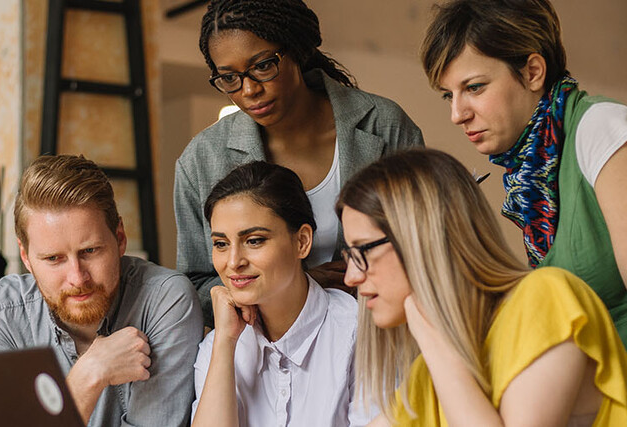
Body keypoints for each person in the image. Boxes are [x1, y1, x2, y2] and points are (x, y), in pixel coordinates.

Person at [174, 0, 425, 326]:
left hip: (380, 339)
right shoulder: (202, 160)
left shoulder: (384, 127)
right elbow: (195, 286)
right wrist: (298, 287)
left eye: (263, 66)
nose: (249, 90)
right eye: (229, 78)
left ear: (297, 50)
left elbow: (427, 246)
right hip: (268, 352)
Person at [337, 148, 627, 426]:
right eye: (349, 255)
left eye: (363, 251)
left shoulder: (545, 297)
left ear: (422, 239)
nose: (351, 277)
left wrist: (430, 333)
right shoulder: (430, 372)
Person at [420, 0, 627, 347]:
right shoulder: (530, 175)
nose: (457, 114)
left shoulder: (600, 129)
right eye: (448, 96)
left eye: (474, 87)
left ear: (532, 72)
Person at [0, 155, 204, 426]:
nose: (77, 278)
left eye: (90, 251)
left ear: (120, 238)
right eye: (54, 258)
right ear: (26, 257)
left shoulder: (166, 300)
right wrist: (89, 376)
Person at [192, 161, 371, 427]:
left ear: (302, 241)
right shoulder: (217, 347)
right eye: (220, 244)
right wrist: (225, 344)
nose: (233, 261)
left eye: (254, 240)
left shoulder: (359, 334)